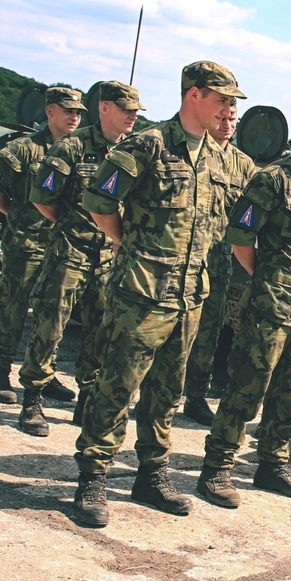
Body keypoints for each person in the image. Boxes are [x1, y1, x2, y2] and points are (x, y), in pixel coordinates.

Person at [73, 61, 243, 527]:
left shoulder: (218, 157)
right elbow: (99, 202)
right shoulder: (149, 144)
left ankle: (151, 473)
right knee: (117, 386)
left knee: (166, 391)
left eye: (232, 102)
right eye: (223, 99)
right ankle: (92, 477)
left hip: (189, 296)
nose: (229, 108)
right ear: (194, 95)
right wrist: (129, 245)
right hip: (141, 293)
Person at [197, 104, 291, 508]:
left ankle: (272, 463)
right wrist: (268, 279)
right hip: (272, 308)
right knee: (247, 388)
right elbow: (240, 238)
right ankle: (216, 468)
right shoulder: (273, 181)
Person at [18, 82, 144, 437]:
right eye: (126, 109)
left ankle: (87, 399)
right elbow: (42, 197)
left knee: (100, 330)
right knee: (50, 324)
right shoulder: (73, 146)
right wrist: (70, 227)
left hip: (108, 256)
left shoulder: (134, 150)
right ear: (104, 109)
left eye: (136, 111)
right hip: (69, 251)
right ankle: (33, 399)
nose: (132, 117)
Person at [0, 86, 84, 405]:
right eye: (68, 111)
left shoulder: (78, 151)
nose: (74, 117)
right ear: (50, 112)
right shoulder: (23, 149)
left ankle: (43, 374)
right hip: (26, 244)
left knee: (53, 315)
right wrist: (15, 215)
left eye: (78, 112)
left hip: (61, 247)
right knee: (12, 308)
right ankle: (0, 370)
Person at [182, 100, 256, 425]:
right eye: (222, 117)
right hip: (185, 258)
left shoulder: (244, 165)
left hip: (220, 262)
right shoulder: (192, 151)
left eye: (232, 118)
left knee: (209, 331)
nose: (227, 124)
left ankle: (195, 396)